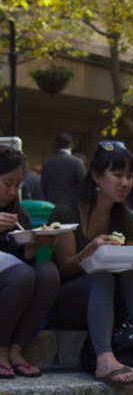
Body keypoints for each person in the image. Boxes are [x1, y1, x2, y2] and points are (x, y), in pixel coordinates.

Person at [52, 141, 133, 385]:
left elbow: (125, 269)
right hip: (70, 302)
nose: (125, 182)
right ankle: (104, 359)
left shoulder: (127, 219)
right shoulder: (66, 212)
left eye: (129, 176)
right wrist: (88, 251)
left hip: (111, 302)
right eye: (117, 175)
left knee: (130, 275)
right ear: (96, 176)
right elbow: (66, 268)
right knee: (101, 276)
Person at [0, 147, 60, 379]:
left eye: (17, 185)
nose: (11, 191)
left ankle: (16, 349)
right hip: (11, 282)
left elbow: (20, 263)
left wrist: (29, 253)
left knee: (47, 272)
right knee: (23, 274)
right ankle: (1, 350)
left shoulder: (19, 216)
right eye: (7, 183)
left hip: (12, 286)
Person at [41, 132, 87, 205]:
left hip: (50, 207)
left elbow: (43, 188)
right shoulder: (76, 162)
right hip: (70, 207)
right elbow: (85, 187)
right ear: (71, 146)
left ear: (56, 145)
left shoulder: (46, 163)